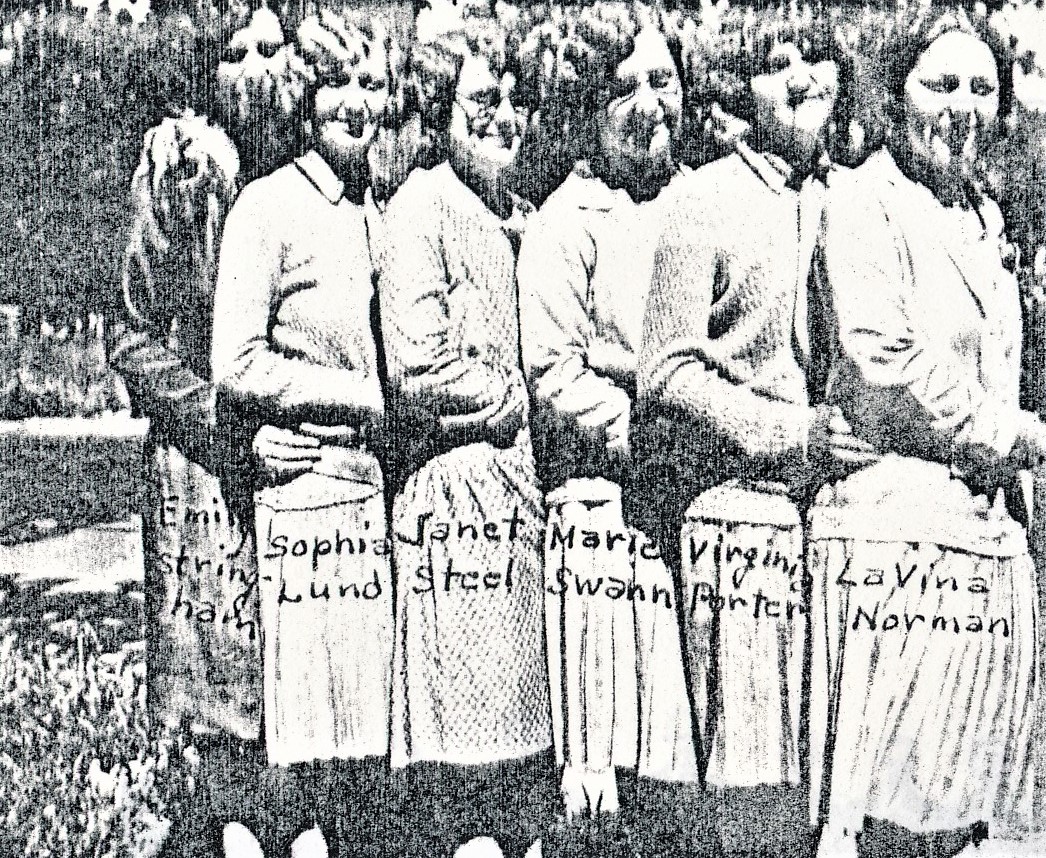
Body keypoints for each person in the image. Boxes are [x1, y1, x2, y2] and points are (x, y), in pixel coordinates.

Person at [808, 7, 1046, 857]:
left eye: (981, 88)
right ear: (891, 94)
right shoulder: (864, 198)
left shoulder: (983, 222)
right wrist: (998, 429)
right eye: (939, 84)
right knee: (882, 821)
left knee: (962, 826)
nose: (962, 107)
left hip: (985, 548)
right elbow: (878, 355)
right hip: (893, 544)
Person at [633, 6, 870, 858]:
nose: (801, 77)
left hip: (843, 533)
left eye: (816, 58)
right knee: (752, 800)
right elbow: (665, 371)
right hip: (741, 520)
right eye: (777, 62)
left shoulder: (857, 200)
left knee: (839, 798)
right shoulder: (702, 198)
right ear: (741, 85)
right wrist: (782, 432)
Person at [516, 3, 700, 855]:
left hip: (691, 515)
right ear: (592, 108)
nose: (646, 104)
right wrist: (642, 423)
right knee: (599, 784)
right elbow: (556, 371)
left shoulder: (702, 207)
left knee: (682, 766)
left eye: (660, 81)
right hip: (601, 517)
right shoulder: (568, 220)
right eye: (622, 88)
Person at [211, 8, 395, 857]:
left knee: (366, 763)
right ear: (303, 97)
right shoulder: (267, 205)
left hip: (377, 501)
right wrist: (353, 394)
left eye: (372, 83)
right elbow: (237, 362)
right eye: (337, 83)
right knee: (307, 759)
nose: (356, 102)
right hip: (305, 494)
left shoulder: (383, 213)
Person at [372, 13, 556, 858]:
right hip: (454, 506)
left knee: (519, 772)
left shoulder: (508, 216)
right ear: (440, 108)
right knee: (464, 774)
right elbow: (417, 369)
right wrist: (516, 397)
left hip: (513, 505)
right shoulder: (423, 205)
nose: (503, 113)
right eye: (483, 96)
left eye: (515, 96)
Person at [110, 112, 294, 858]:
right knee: (218, 675)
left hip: (296, 449)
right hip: (203, 462)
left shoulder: (314, 140)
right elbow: (131, 334)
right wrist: (217, 413)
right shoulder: (182, 158)